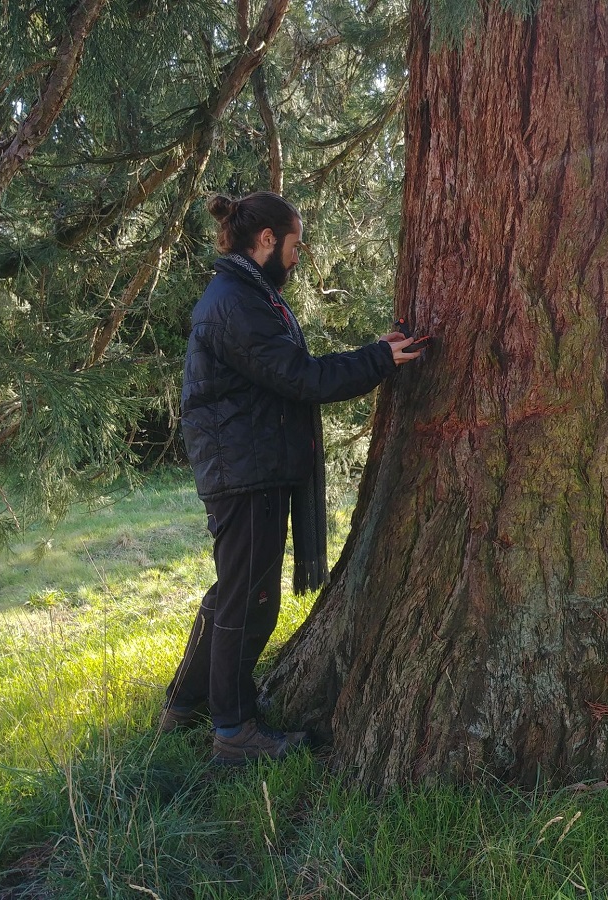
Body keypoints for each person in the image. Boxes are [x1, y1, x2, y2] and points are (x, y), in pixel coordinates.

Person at [160, 191, 423, 764]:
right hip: (244, 472)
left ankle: (184, 704)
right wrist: (379, 359)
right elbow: (302, 378)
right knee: (249, 601)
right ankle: (233, 731)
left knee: (234, 593)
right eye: (294, 245)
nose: (298, 257)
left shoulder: (244, 295)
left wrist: (375, 353)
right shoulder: (237, 302)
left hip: (246, 466)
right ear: (265, 242)